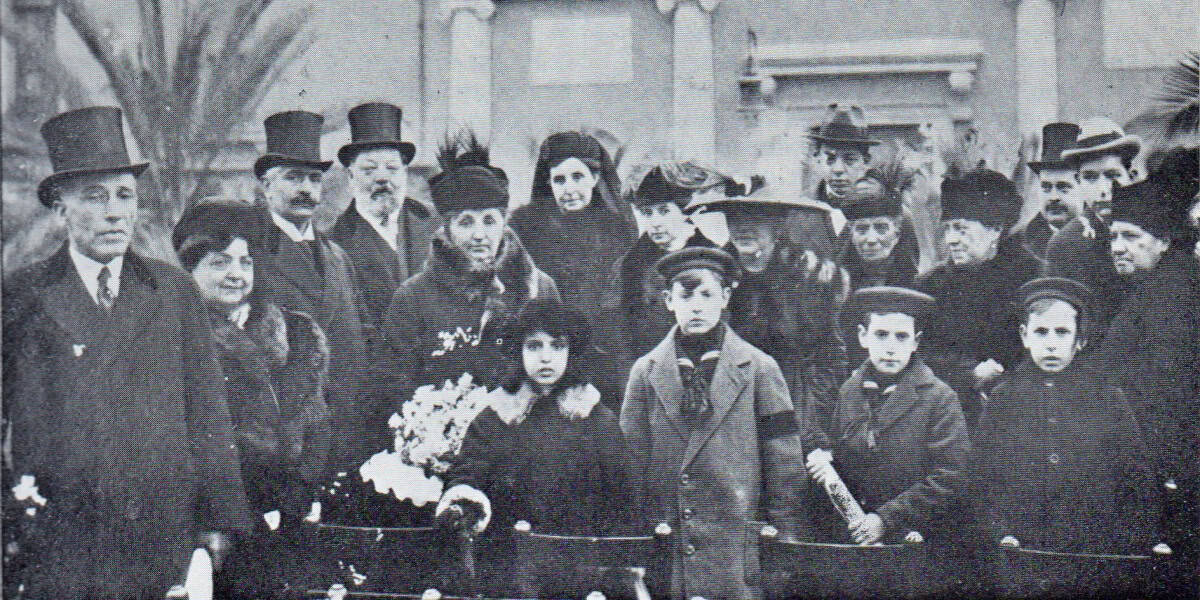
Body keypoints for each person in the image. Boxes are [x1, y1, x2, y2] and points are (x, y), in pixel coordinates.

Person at [2, 107, 252, 598]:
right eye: (94, 197)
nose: (115, 212)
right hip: (57, 541)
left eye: (125, 195)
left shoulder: (173, 291)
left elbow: (208, 414)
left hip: (158, 537)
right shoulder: (22, 295)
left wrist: (218, 519)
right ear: (60, 209)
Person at [621, 246, 809, 600]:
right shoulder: (645, 373)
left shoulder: (759, 369)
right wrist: (643, 536)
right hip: (671, 545)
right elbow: (632, 462)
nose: (696, 306)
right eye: (685, 295)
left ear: (725, 298)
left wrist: (783, 544)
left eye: (707, 295)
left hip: (738, 552)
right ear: (667, 300)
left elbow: (785, 468)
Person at [172, 197, 333, 597]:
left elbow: (317, 424)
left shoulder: (296, 335)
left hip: (291, 519)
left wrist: (304, 483)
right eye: (219, 262)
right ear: (190, 270)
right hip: (214, 527)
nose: (236, 275)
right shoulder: (174, 339)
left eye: (246, 262)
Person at [436, 299, 638, 594]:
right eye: (534, 346)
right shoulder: (495, 417)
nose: (546, 358)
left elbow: (622, 497)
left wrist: (617, 568)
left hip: (582, 567)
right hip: (510, 566)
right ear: (518, 350)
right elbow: (467, 474)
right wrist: (464, 502)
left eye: (557, 346)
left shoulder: (595, 418)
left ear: (571, 352)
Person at [974, 277, 1162, 555]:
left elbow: (1135, 473)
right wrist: (1000, 530)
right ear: (1025, 336)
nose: (1051, 344)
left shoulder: (1106, 398)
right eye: (1041, 332)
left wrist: (1137, 536)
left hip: (1094, 541)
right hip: (1021, 543)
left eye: (1062, 332)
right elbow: (983, 476)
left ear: (1080, 339)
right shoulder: (1004, 398)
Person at [377, 133, 560, 410]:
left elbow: (561, 370)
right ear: (447, 229)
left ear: (504, 224)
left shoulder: (539, 287)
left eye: (489, 221)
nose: (479, 235)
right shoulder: (413, 297)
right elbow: (393, 384)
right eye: (465, 222)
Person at [251, 110, 374, 468]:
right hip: (287, 443)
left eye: (314, 179)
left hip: (349, 436)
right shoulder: (251, 258)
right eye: (293, 178)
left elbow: (364, 337)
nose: (306, 189)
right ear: (266, 186)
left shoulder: (338, 257)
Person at [1098, 173, 1199, 594]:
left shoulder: (1174, 294)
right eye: (1114, 235)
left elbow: (1169, 393)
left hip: (1171, 466)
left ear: (1162, 241)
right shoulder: (1153, 286)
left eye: (1131, 235)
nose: (1118, 246)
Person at [685, 176, 848, 439]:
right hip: (728, 410)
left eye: (755, 218)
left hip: (793, 409)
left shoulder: (808, 276)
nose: (743, 228)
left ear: (777, 225)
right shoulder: (712, 277)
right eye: (735, 218)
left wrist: (813, 422)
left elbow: (828, 355)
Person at [806, 287, 969, 548]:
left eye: (901, 337)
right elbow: (846, 455)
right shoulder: (849, 391)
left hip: (915, 537)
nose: (891, 348)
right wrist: (828, 463)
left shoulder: (939, 398)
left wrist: (885, 519)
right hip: (856, 535)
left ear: (916, 342)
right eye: (881, 335)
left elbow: (949, 476)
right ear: (863, 336)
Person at [508, 131, 637, 407]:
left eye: (578, 177)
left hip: (606, 356)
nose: (569, 188)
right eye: (559, 179)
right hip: (544, 356)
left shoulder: (619, 230)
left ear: (595, 178)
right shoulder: (526, 232)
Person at [915, 169, 1040, 427]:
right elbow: (918, 353)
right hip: (950, 416)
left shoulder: (1034, 278)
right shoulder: (929, 286)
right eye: (948, 229)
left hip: (1024, 413)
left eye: (961, 229)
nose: (951, 240)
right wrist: (968, 374)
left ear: (995, 229)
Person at [611, 163, 728, 380]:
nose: (655, 223)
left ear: (684, 212)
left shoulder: (713, 257)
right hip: (651, 373)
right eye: (647, 213)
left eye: (664, 211)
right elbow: (623, 335)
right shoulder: (631, 265)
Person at [329, 102, 437, 331]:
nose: (382, 178)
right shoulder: (334, 243)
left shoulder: (436, 223)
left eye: (392, 168)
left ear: (405, 173)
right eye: (369, 170)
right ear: (350, 176)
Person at [1043, 118, 1142, 337]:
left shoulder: (1155, 236)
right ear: (1078, 182)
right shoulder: (1067, 245)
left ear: (1132, 178)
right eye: (1090, 178)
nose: (1103, 190)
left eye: (1112, 175)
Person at [800, 102, 880, 252]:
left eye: (849, 159)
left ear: (866, 161)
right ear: (817, 158)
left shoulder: (889, 210)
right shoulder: (798, 210)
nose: (838, 169)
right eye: (830, 158)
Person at [1022, 122, 1082, 261]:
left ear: (1084, 189)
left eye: (1063, 187)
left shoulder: (1107, 239)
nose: (1053, 197)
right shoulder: (1021, 243)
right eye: (1046, 188)